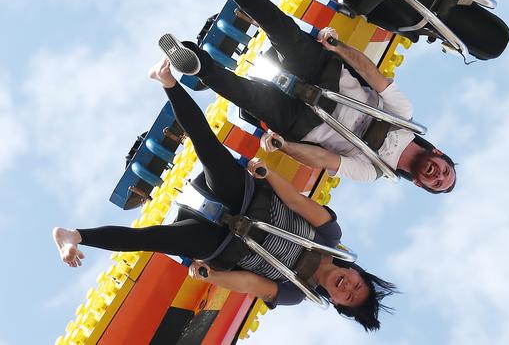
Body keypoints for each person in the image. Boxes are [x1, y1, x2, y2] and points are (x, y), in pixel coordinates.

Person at [52, 58, 396, 331]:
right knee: (209, 148)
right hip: (246, 199)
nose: (346, 287)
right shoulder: (330, 236)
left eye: (347, 297)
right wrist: (269, 174)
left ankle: (74, 236)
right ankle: (168, 82)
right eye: (356, 284)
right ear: (357, 273)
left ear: (336, 303)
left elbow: (250, 282)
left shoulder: (296, 293)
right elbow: (296, 201)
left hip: (220, 243)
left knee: (154, 239)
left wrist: (212, 275)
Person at [160, 0, 456, 195]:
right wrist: (338, 48)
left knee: (250, 97)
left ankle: (197, 64)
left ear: (420, 183)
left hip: (307, 124)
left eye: (437, 183)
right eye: (445, 171)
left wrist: (285, 147)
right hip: (328, 78)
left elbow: (324, 158)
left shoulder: (372, 172)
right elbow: (372, 73)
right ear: (439, 154)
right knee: (284, 31)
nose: (438, 175)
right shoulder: (405, 115)